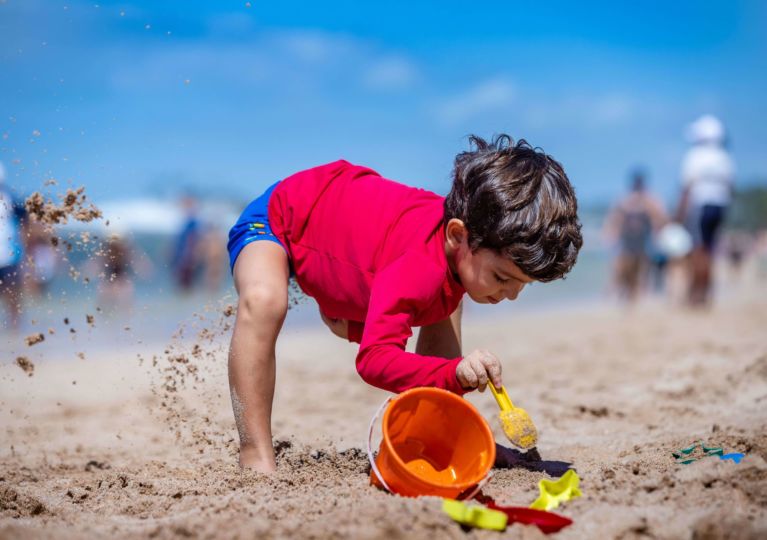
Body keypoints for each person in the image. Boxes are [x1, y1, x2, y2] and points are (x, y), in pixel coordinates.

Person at [227, 135, 583, 472]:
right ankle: (255, 454)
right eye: (503, 278)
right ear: (458, 234)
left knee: (448, 297)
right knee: (265, 300)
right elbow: (373, 361)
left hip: (351, 252)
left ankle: (438, 433)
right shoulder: (419, 268)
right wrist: (453, 373)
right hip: (278, 220)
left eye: (523, 285)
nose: (510, 295)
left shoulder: (458, 252)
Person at [676, 115, 735, 306]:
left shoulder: (695, 155)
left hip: (700, 205)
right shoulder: (725, 157)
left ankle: (697, 293)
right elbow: (730, 187)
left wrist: (679, 214)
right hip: (720, 206)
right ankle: (706, 291)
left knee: (698, 249)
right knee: (710, 249)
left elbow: (687, 187)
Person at [603, 169, 666, 302]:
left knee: (638, 271)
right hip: (627, 242)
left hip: (642, 242)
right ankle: (618, 295)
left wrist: (657, 235)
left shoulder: (650, 200)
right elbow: (615, 219)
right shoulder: (624, 199)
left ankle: (632, 299)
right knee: (623, 270)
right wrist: (611, 235)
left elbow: (660, 218)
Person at [0, 162, 27, 331]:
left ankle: (15, 327)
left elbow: (25, 219)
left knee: (11, 291)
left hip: (9, 252)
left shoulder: (9, 198)